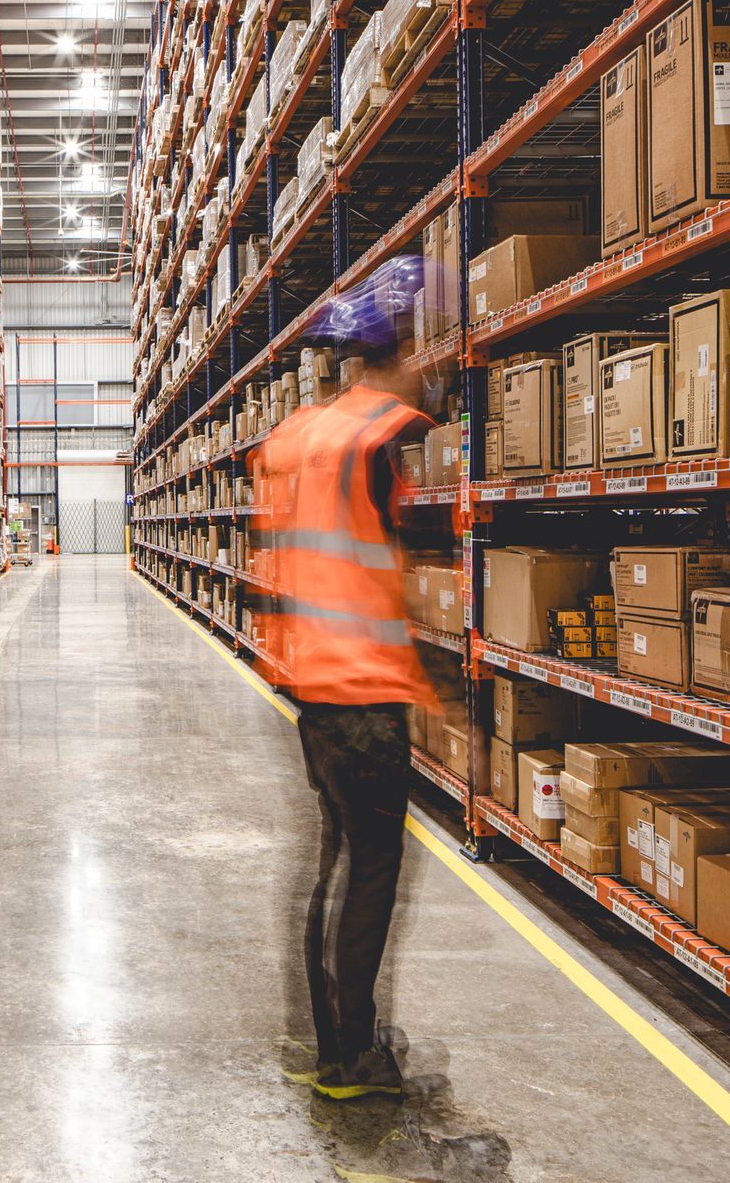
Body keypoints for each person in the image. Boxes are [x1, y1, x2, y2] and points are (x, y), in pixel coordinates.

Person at [249, 257, 438, 1102]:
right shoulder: (378, 433)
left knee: (334, 862)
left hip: (316, 681)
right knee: (368, 873)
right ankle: (348, 1055)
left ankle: (332, 1029)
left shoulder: (301, 436)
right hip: (360, 686)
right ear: (401, 347)